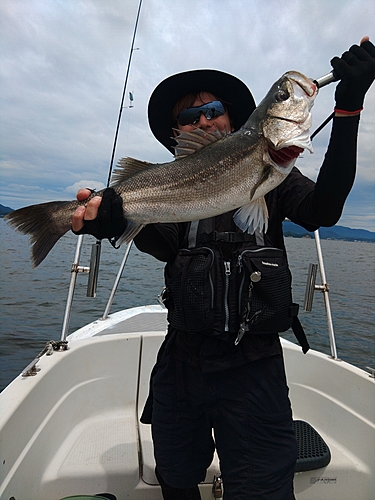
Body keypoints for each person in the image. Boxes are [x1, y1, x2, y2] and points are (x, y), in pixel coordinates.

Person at [72, 39, 375, 499]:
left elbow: (324, 209)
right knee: (174, 478)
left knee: (261, 490)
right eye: (188, 118)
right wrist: (109, 221)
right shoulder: (169, 189)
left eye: (212, 109)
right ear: (177, 132)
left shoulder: (273, 173)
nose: (203, 120)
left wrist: (348, 110)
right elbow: (160, 243)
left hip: (254, 364)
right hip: (181, 362)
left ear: (234, 117)